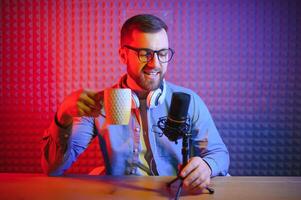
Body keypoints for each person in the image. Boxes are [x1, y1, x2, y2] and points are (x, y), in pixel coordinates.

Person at [41, 14, 229, 194]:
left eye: (162, 53)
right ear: (123, 55)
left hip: (174, 194)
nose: (154, 63)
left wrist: (207, 165)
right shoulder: (99, 104)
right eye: (144, 53)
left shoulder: (187, 100)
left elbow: (219, 154)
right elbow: (53, 169)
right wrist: (63, 115)